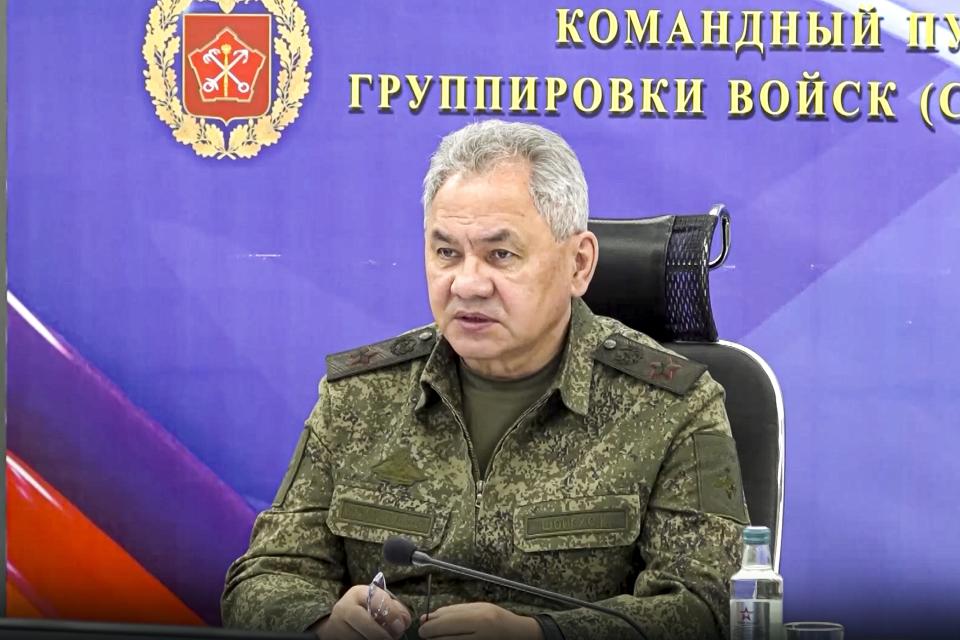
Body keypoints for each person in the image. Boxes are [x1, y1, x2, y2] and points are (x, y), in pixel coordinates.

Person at [221, 120, 749, 640]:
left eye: (501, 254)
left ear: (579, 264)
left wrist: (544, 635)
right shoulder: (360, 396)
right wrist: (320, 623)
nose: (467, 284)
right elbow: (264, 577)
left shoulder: (670, 405)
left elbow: (705, 607)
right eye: (447, 252)